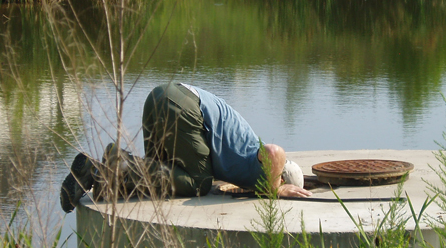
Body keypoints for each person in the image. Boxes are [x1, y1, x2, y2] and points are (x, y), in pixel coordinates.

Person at [60, 82, 311, 213]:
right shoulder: (258, 166)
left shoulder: (243, 152)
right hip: (183, 106)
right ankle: (98, 170)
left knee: (158, 178)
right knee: (198, 184)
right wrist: (276, 188)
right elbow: (275, 152)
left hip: (161, 97)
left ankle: (105, 173)